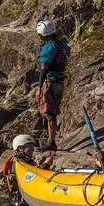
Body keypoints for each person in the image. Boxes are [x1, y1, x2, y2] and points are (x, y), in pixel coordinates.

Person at [35, 20, 71, 151]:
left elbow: (44, 67)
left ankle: (51, 142)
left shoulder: (49, 47)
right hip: (60, 82)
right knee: (52, 112)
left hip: (50, 83)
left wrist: (39, 87)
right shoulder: (65, 46)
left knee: (50, 112)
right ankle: (51, 141)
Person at [2, 134, 53, 206]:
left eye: (32, 145)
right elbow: (32, 177)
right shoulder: (18, 162)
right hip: (21, 202)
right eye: (29, 145)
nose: (32, 148)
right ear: (20, 148)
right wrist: (46, 164)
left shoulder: (29, 161)